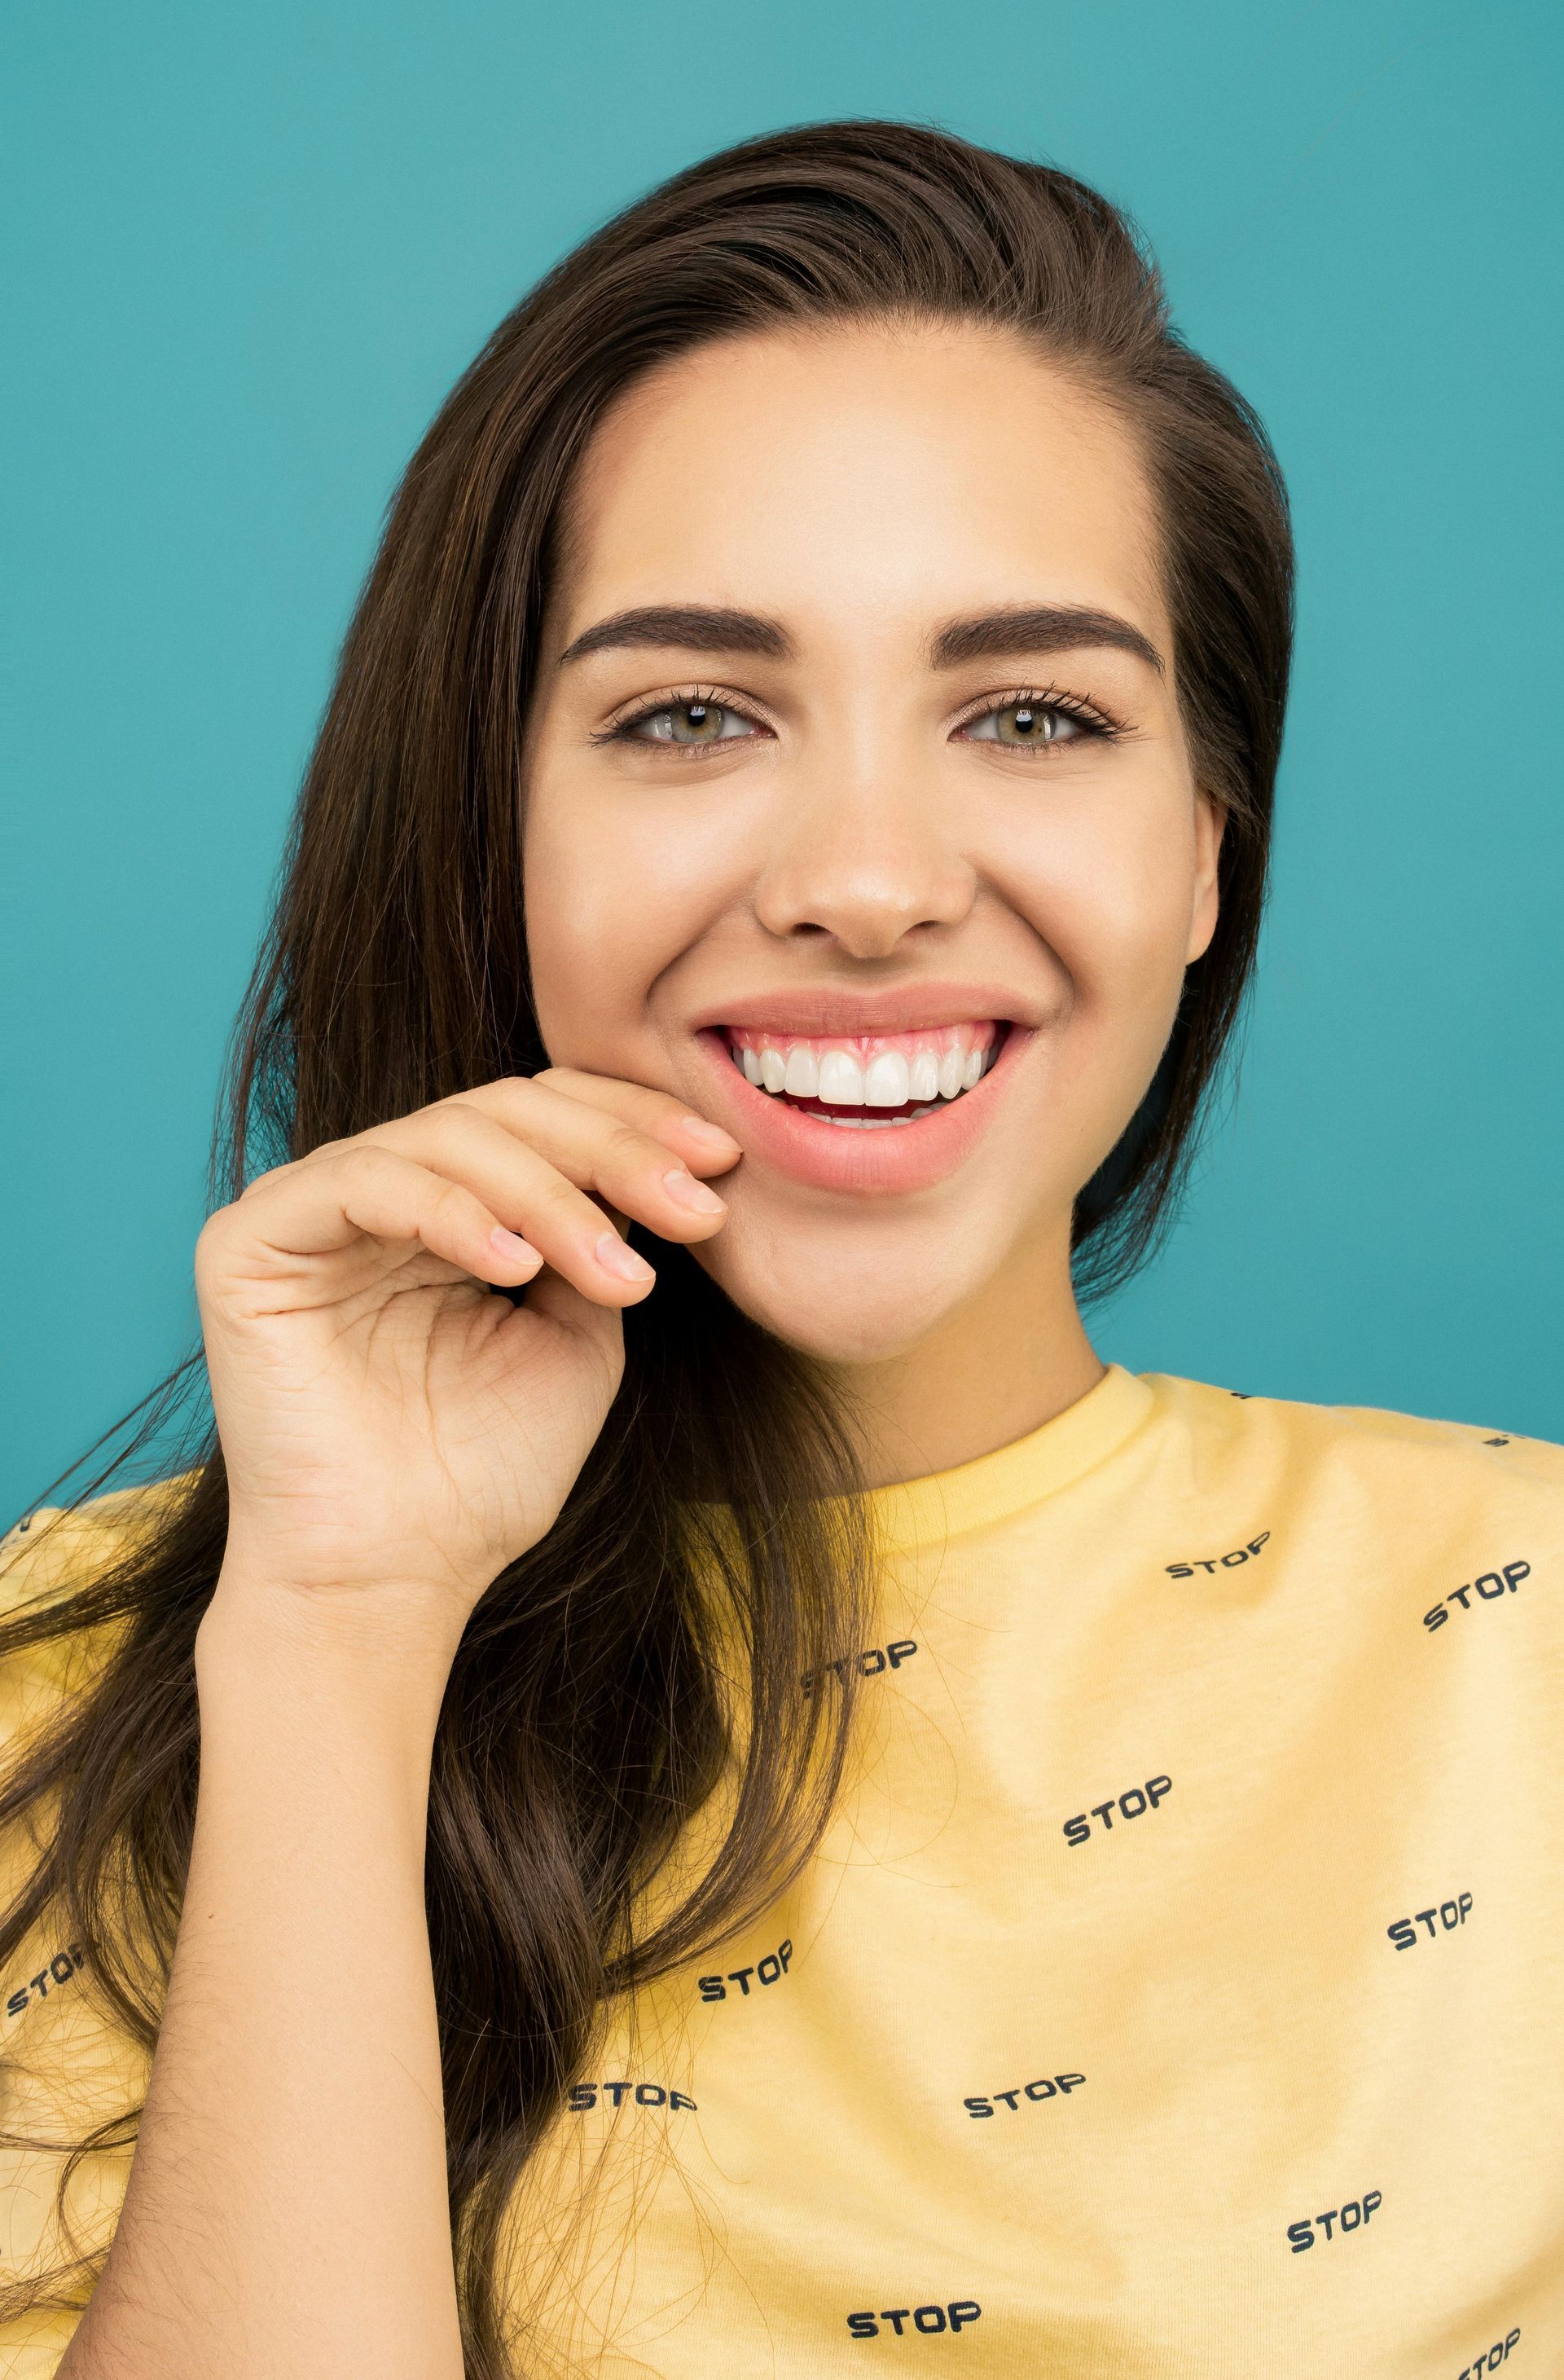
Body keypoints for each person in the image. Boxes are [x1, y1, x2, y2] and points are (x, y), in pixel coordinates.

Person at [1, 118, 1557, 2380]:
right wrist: (340, 1634)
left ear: (1206, 854)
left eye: (1032, 714)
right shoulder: (68, 1695)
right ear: (498, 821)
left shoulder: (1518, 1636)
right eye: (691, 715)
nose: (868, 875)